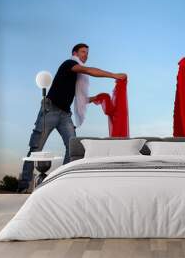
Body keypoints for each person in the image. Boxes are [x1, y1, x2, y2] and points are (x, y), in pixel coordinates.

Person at [18, 43, 127, 192]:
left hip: (64, 115)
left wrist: (93, 98)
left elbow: (78, 98)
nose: (86, 55)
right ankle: (23, 186)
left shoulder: (76, 77)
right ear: (75, 53)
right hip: (50, 110)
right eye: (83, 52)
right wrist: (114, 75)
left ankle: (61, 183)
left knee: (73, 148)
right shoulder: (69, 64)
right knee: (36, 147)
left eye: (87, 53)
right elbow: (89, 70)